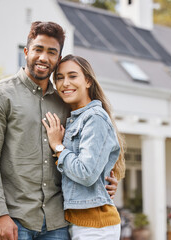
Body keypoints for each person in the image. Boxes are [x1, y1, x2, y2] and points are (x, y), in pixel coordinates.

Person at [0, 21, 118, 240]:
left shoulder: (65, 102)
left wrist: (103, 181)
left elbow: (89, 152)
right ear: (26, 52)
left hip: (57, 223)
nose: (43, 58)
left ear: (58, 58)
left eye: (51, 52)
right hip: (13, 218)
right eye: (38, 49)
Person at [42, 54, 125, 240]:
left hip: (97, 227)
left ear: (87, 81)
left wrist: (58, 146)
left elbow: (86, 173)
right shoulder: (75, 119)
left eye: (72, 76)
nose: (65, 83)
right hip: (79, 224)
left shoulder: (94, 118)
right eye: (60, 78)